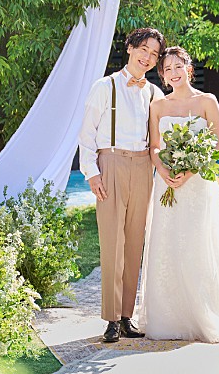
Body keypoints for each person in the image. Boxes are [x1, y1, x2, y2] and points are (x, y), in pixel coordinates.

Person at [137, 46, 219, 342]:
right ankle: (171, 318)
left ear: (189, 68)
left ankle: (206, 313)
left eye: (178, 66)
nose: (173, 73)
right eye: (167, 69)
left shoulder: (207, 100)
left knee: (199, 242)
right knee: (168, 243)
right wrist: (164, 171)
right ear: (162, 75)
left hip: (198, 184)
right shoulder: (158, 106)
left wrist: (190, 170)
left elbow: (218, 144)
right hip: (167, 184)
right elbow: (154, 146)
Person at [77, 27, 165, 343]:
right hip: (111, 163)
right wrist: (92, 173)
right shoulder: (105, 87)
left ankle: (127, 316)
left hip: (143, 167)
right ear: (129, 48)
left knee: (134, 242)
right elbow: (87, 135)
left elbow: (162, 137)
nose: (147, 57)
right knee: (112, 242)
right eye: (143, 49)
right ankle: (111, 319)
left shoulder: (155, 94)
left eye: (154, 54)